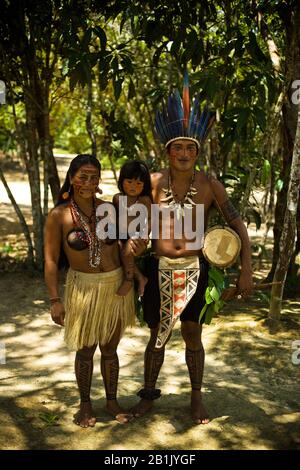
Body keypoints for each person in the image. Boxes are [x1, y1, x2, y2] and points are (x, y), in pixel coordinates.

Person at [131, 74, 254, 424]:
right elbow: (129, 223)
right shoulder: (152, 183)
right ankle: (148, 396)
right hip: (159, 269)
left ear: (197, 152)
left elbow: (237, 224)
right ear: (167, 151)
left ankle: (196, 400)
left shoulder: (209, 184)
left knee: (192, 334)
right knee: (157, 335)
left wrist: (245, 269)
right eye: (177, 148)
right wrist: (134, 253)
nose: (183, 154)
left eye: (190, 149)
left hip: (196, 270)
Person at [44, 154, 136, 427]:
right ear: (72, 178)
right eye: (82, 176)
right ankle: (85, 405)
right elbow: (50, 260)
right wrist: (54, 299)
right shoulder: (58, 215)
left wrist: (131, 278)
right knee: (85, 351)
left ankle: (111, 401)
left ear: (98, 182)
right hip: (83, 288)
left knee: (110, 349)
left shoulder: (108, 209)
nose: (88, 182)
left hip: (114, 286)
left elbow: (123, 247)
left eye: (93, 177)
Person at [113, 160, 152, 297]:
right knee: (117, 248)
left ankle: (129, 279)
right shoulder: (117, 198)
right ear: (121, 181)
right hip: (121, 234)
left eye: (138, 184)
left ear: (144, 185)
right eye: (129, 182)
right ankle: (141, 277)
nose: (133, 187)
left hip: (137, 236)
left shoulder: (144, 200)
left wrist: (145, 233)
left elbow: (151, 219)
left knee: (127, 251)